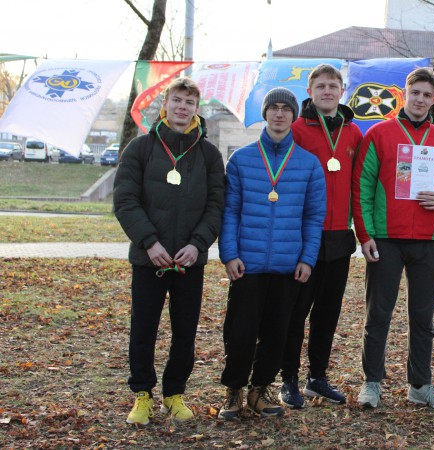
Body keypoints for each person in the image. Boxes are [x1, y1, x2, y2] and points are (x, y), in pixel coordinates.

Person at [352, 67, 434, 410]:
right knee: (379, 314)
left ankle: (420, 385)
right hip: (385, 240)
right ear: (405, 94)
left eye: (427, 95)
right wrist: (366, 234)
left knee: (422, 317)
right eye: (415, 92)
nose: (420, 99)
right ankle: (372, 382)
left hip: (428, 242)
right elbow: (363, 187)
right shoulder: (379, 134)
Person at [113, 77, 225, 425]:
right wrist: (149, 242)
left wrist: (197, 245)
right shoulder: (140, 148)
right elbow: (125, 200)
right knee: (143, 329)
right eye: (176, 100)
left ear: (196, 109)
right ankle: (142, 395)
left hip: (190, 261)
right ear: (165, 104)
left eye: (189, 103)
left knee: (185, 331)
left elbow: (216, 205)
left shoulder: (208, 154)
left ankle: (174, 393)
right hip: (150, 259)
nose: (182, 107)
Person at [216, 87, 326, 420]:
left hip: (287, 266)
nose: (279, 114)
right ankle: (233, 391)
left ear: (294, 115)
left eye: (285, 109)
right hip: (246, 264)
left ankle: (259, 390)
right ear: (265, 114)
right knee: (240, 332)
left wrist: (307, 258)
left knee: (277, 333)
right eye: (273, 108)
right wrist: (229, 254)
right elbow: (229, 211)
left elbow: (313, 216)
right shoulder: (241, 159)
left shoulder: (308, 164)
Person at [279, 63, 363, 409]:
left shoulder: (354, 133)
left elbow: (359, 186)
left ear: (342, 91)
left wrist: (363, 230)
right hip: (304, 238)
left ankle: (318, 377)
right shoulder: (296, 130)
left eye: (333, 85)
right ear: (310, 92)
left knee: (328, 313)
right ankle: (288, 379)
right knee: (296, 312)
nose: (327, 91)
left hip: (339, 237)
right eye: (321, 86)